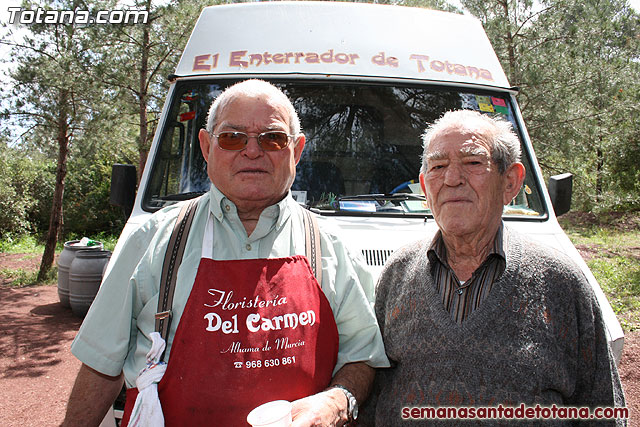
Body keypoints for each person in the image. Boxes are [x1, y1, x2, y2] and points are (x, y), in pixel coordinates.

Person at [63, 79, 389, 427]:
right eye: (233, 138)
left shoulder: (332, 246)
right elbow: (101, 365)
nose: (252, 151)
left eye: (273, 138)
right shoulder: (154, 238)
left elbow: (363, 357)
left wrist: (337, 403)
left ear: (296, 151)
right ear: (206, 146)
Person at [368, 110, 626, 425]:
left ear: (510, 182)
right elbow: (372, 399)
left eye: (473, 163)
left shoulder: (560, 281)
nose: (451, 179)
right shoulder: (396, 274)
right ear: (424, 186)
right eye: (438, 166)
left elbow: (603, 408)